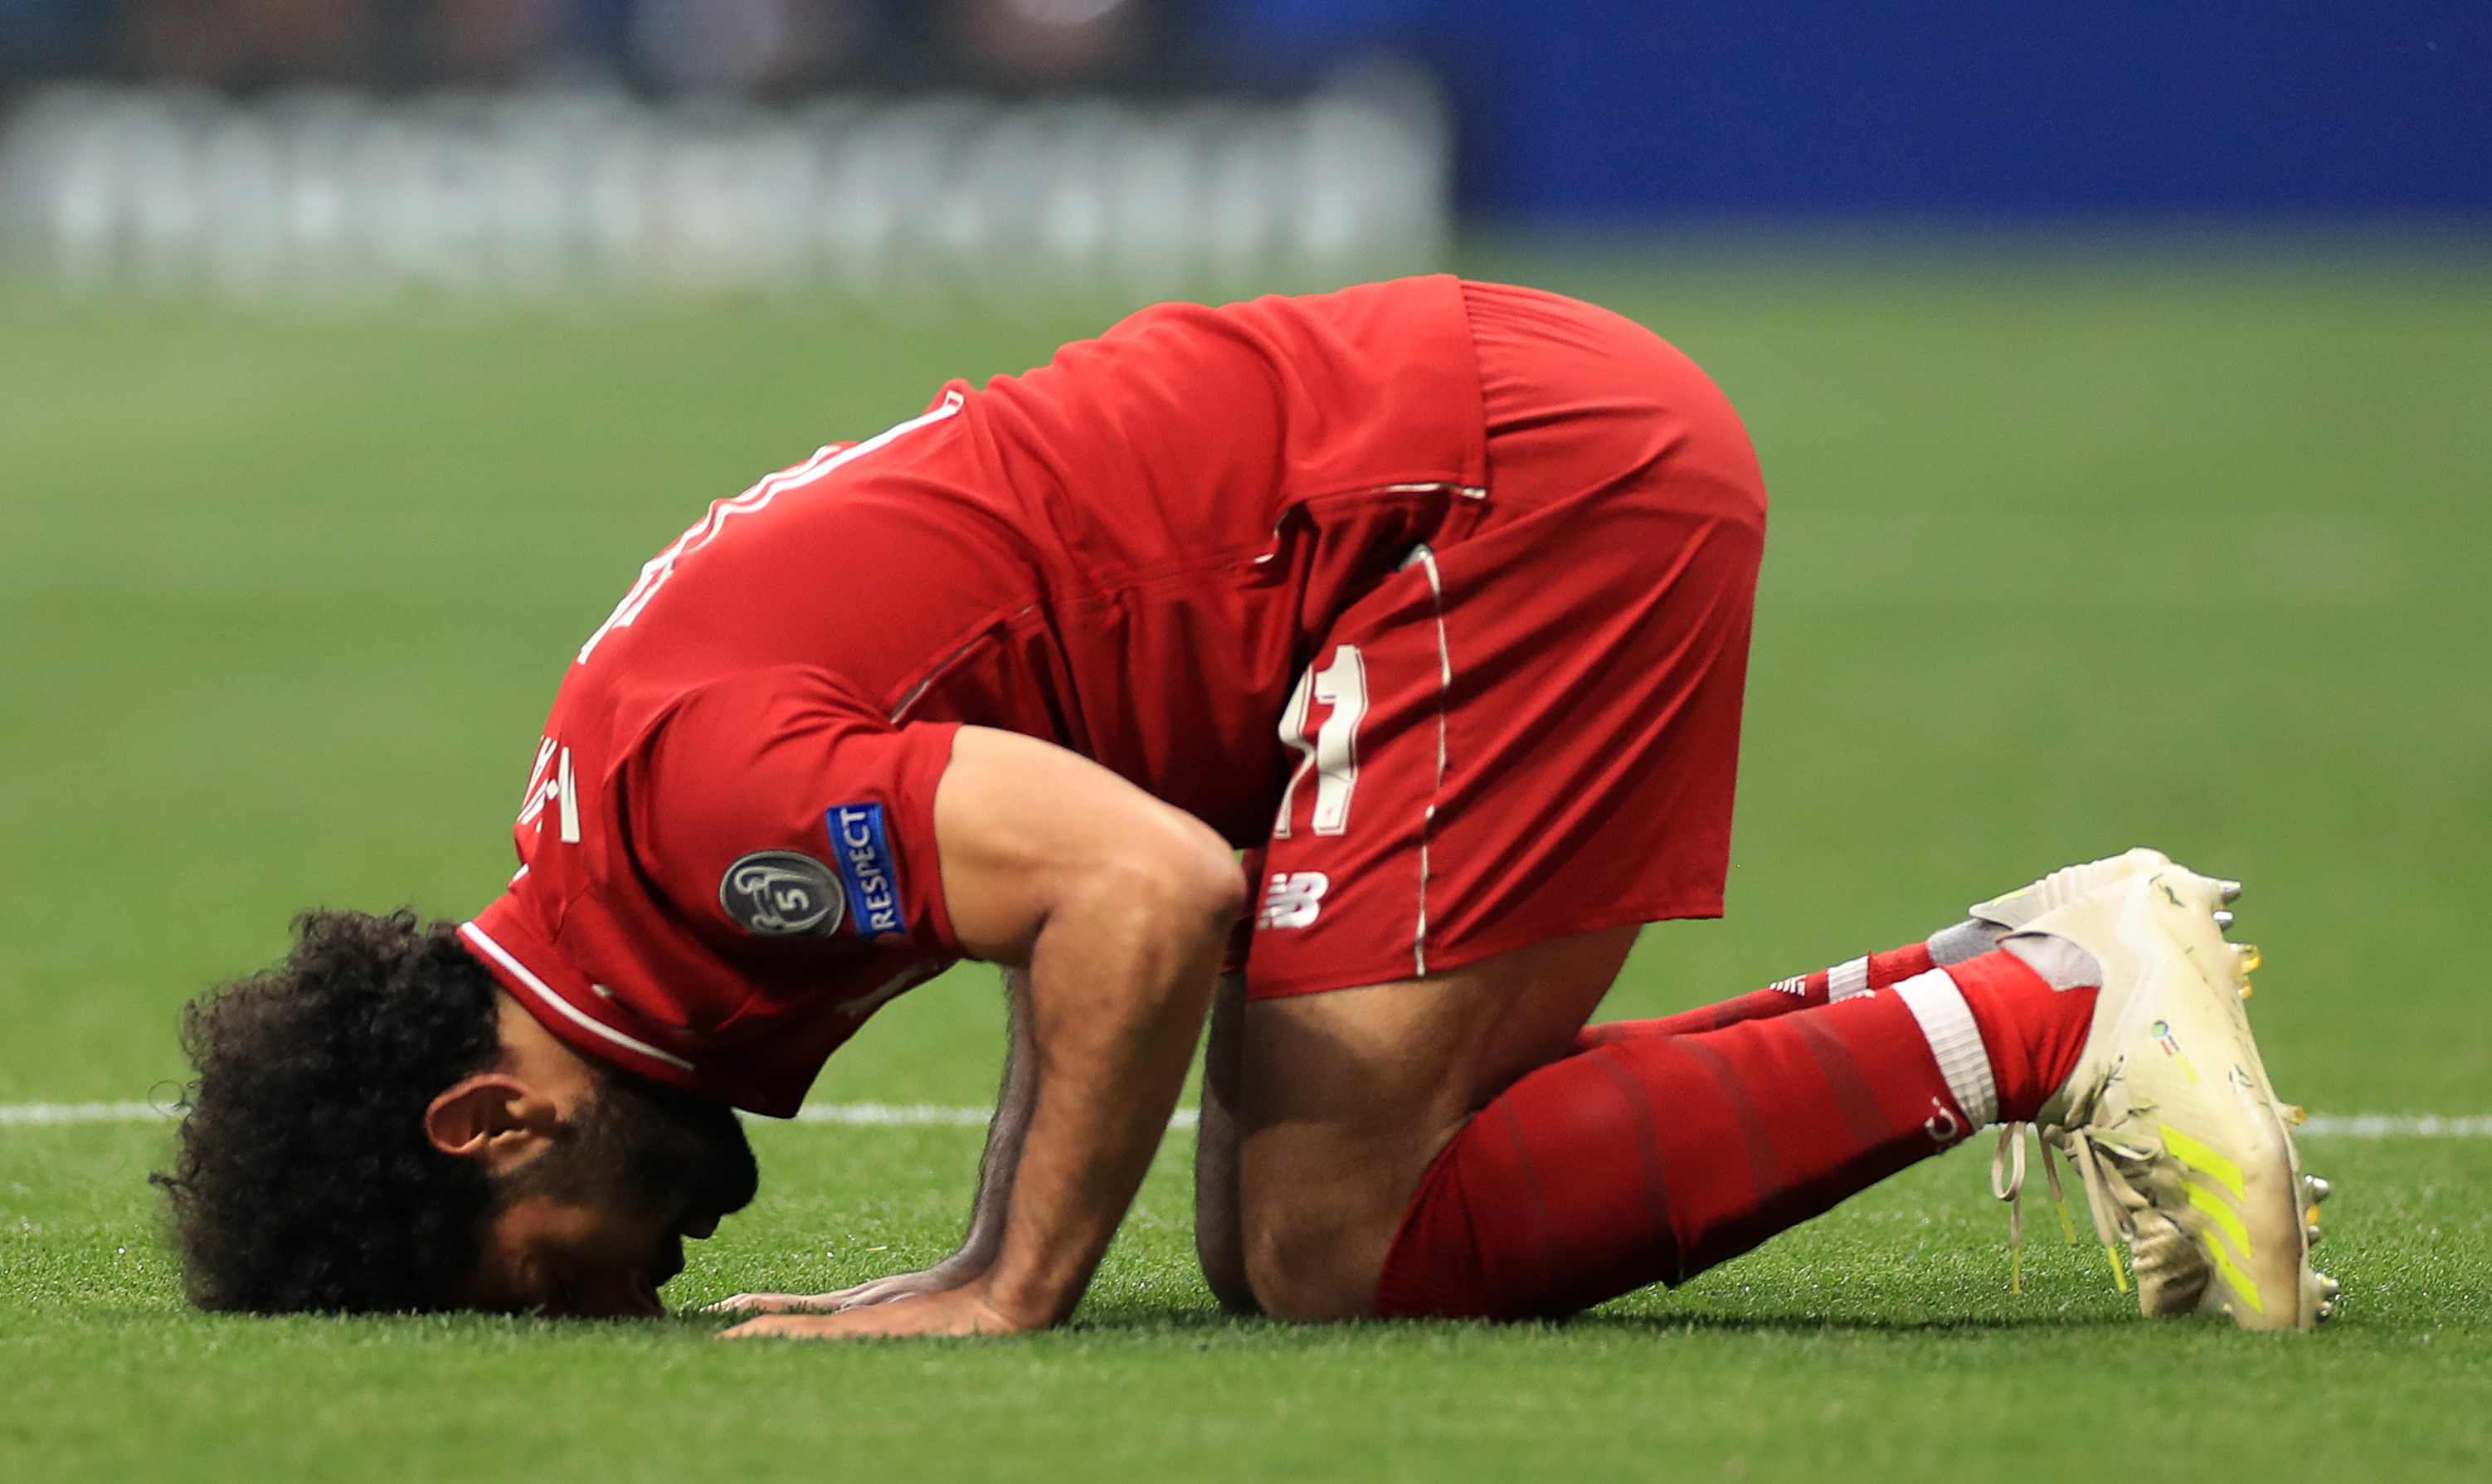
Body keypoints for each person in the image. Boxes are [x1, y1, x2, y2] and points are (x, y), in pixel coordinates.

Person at [161, 276, 2333, 1333]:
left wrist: (1000, 1278)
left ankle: (2051, 1007)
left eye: (554, 1285)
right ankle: (2009, 984)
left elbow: (1143, 886)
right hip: (1467, 477)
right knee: (1353, 1204)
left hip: (1475, 507)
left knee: (1313, 1246)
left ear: (488, 1123)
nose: (629, 1296)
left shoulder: (693, 836)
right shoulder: (630, 833)